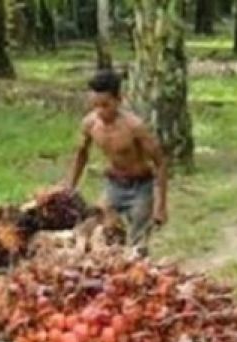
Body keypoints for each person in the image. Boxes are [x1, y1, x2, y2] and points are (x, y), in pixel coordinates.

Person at [65, 69, 168, 250]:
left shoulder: (135, 127)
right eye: (95, 106)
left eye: (105, 105)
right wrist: (70, 187)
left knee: (138, 244)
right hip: (113, 185)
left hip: (140, 188)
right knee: (101, 233)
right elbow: (81, 154)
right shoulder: (90, 124)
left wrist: (161, 206)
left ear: (118, 99)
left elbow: (160, 163)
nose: (100, 111)